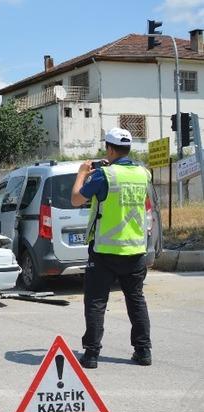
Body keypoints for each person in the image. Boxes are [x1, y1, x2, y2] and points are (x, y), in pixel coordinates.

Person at [71, 127, 152, 369]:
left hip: (105, 250)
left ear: (110, 148)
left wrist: (82, 173)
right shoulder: (143, 173)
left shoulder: (104, 175)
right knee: (136, 300)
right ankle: (143, 351)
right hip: (135, 249)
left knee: (96, 302)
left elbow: (76, 198)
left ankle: (92, 354)